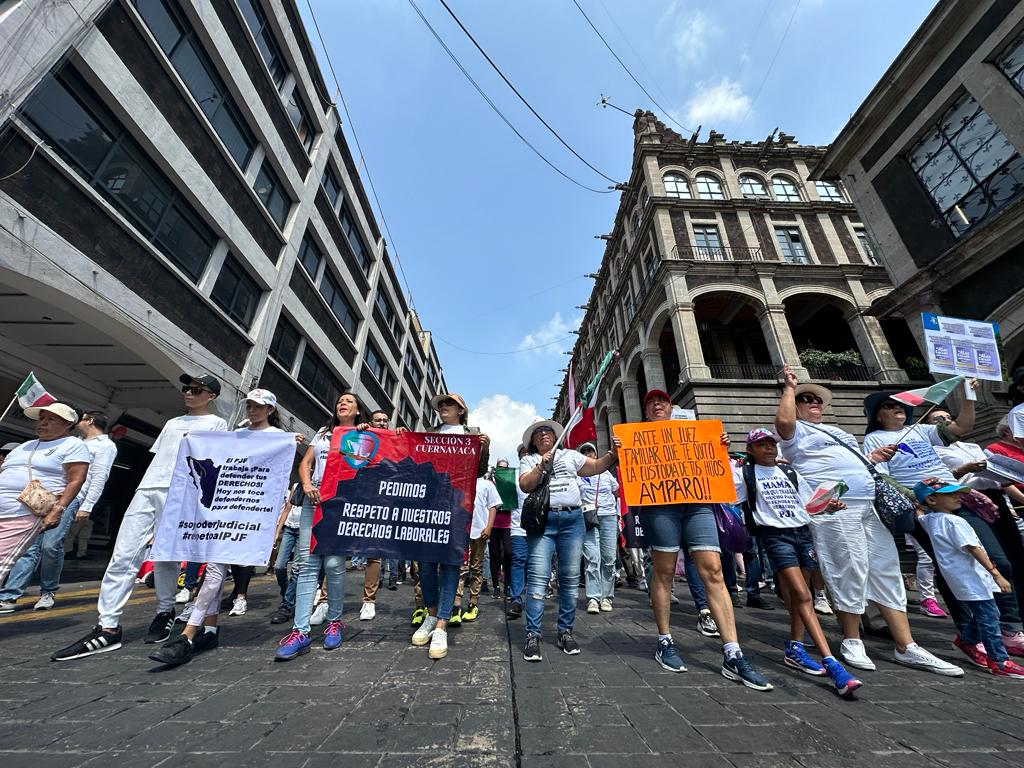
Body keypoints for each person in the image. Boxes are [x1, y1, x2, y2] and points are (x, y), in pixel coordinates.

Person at [775, 365, 962, 676]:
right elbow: (783, 421)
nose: (814, 404)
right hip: (833, 505)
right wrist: (789, 388)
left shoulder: (839, 432)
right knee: (848, 566)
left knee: (885, 567)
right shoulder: (794, 432)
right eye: (807, 400)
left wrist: (875, 459)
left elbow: (857, 461)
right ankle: (851, 639)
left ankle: (907, 645)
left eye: (817, 400)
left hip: (867, 505)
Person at [52, 375, 227, 660]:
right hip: (148, 487)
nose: (189, 394)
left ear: (211, 397)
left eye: (197, 390)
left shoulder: (217, 424)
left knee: (166, 555)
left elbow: (210, 461)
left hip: (181, 492)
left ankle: (164, 610)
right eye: (187, 388)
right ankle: (107, 626)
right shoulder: (171, 423)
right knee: (123, 554)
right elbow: (159, 455)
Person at [614, 390, 771, 691]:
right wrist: (620, 450)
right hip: (660, 507)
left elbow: (717, 465)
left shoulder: (693, 434)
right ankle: (664, 640)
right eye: (651, 402)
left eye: (662, 401)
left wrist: (719, 447)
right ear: (646, 412)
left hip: (698, 503)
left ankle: (733, 652)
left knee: (712, 569)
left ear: (672, 408)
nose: (657, 404)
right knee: (664, 571)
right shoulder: (638, 437)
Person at [863, 388, 1024, 657]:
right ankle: (968, 633)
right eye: (889, 406)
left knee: (999, 560)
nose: (897, 409)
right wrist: (916, 497)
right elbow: (882, 477)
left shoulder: (921, 431)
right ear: (878, 416)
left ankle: (1009, 628)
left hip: (960, 498)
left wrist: (968, 393)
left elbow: (962, 426)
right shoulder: (874, 440)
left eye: (899, 405)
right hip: (928, 507)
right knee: (952, 569)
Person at [150, 388, 299, 666]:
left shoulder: (277, 438)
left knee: (216, 568)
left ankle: (188, 633)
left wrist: (292, 441)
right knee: (214, 566)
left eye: (258, 406)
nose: (252, 410)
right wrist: (195, 441)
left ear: (270, 410)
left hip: (247, 512)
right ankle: (209, 628)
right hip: (222, 509)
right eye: (249, 406)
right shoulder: (237, 434)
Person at [732, 428, 863, 696]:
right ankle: (832, 664)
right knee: (803, 596)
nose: (769, 448)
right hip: (775, 536)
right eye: (761, 444)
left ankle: (795, 647)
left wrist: (828, 506)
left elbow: (808, 504)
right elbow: (724, 492)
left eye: (772, 443)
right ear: (750, 450)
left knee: (802, 597)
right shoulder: (745, 475)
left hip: (803, 533)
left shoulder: (791, 473)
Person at [275, 392, 366, 661]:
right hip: (314, 504)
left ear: (358, 411)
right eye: (340, 400)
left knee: (335, 565)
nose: (343, 403)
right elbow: (306, 464)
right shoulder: (324, 433)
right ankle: (300, 631)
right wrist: (306, 484)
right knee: (306, 564)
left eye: (349, 401)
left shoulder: (365, 436)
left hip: (341, 506)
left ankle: (335, 622)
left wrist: (370, 432)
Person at [518, 418, 617, 661]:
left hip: (572, 521)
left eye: (547, 431)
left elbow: (596, 466)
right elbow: (525, 485)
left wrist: (614, 454)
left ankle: (565, 631)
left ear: (555, 436)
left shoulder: (571, 455)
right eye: (538, 433)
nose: (544, 435)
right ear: (532, 441)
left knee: (570, 579)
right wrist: (541, 467)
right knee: (539, 578)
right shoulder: (528, 460)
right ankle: (533, 634)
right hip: (544, 522)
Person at [1, 409, 116, 611]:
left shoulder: (104, 446)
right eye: (42, 419)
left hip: (67, 498)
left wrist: (86, 506)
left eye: (51, 419)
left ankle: (48, 591)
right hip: (33, 501)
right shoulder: (53, 442)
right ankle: (10, 595)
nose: (43, 423)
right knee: (29, 549)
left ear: (88, 421)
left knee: (51, 545)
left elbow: (97, 477)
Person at [915, 478, 1024, 678]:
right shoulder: (956, 521)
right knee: (990, 618)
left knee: (983, 614)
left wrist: (917, 506)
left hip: (960, 580)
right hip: (974, 578)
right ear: (932, 499)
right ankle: (999, 660)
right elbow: (974, 548)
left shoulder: (929, 520)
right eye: (950, 494)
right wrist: (996, 574)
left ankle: (967, 639)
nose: (958, 497)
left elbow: (919, 514)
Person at [411, 393, 489, 660]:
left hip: (457, 506)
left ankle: (442, 622)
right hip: (429, 504)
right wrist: (401, 436)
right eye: (441, 405)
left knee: (452, 563)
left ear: (461, 410)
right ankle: (431, 616)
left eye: (449, 404)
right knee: (427, 563)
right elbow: (414, 461)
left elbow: (478, 472)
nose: (443, 407)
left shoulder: (472, 434)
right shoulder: (428, 433)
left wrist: (484, 448)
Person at [577, 442, 620, 614]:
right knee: (592, 558)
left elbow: (617, 492)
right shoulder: (577, 475)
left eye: (590, 451)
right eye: (584, 451)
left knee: (609, 558)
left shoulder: (607, 474)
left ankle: (607, 597)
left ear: (595, 454)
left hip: (608, 517)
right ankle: (593, 598)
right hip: (588, 518)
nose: (588, 453)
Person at [455, 476, 500, 622]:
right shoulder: (462, 479)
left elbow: (492, 506)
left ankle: (473, 603)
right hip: (461, 530)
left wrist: (489, 527)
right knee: (460, 568)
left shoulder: (486, 484)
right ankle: (456, 604)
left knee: (476, 567)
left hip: (479, 531)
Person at [269, 487, 302, 624]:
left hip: (304, 528)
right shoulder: (296, 485)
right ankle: (287, 591)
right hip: (289, 528)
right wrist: (277, 531)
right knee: (279, 566)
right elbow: (287, 509)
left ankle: (286, 605)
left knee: (296, 569)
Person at [506, 444, 528, 620]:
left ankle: (535, 597)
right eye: (521, 453)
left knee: (535, 564)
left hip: (539, 527)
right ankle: (516, 599)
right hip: (518, 527)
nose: (525, 455)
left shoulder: (544, 473)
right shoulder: (512, 478)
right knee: (518, 561)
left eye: (527, 451)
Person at [488, 458, 513, 600]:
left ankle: (507, 585)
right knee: (494, 554)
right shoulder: (491, 484)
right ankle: (496, 586)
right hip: (493, 523)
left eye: (505, 468)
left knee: (508, 553)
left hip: (507, 524)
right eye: (500, 468)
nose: (502, 470)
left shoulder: (510, 483)